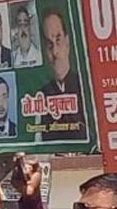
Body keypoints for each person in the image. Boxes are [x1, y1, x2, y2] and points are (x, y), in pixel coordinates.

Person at [33, 10, 87, 140]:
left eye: (58, 40)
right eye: (49, 45)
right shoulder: (41, 97)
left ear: (67, 42)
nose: (55, 51)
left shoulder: (85, 88)